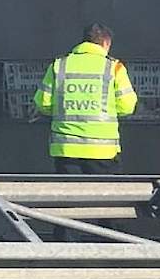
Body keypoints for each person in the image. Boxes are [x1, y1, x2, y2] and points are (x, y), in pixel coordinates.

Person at [34, 22, 138, 175]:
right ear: (106, 42)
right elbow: (127, 106)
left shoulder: (59, 65)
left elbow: (43, 103)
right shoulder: (114, 67)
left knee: (70, 196)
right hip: (103, 150)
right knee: (105, 196)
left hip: (66, 149)